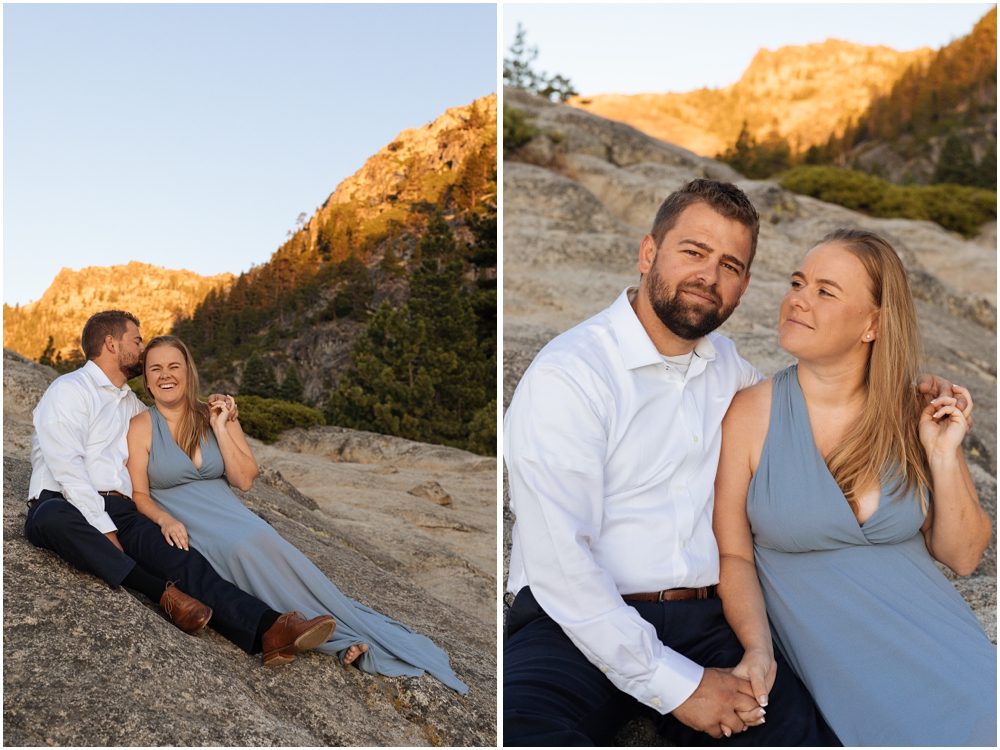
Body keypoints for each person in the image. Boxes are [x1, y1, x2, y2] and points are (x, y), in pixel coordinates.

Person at [502, 180, 960, 746]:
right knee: (525, 729)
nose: (708, 277)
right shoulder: (570, 375)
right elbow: (562, 568)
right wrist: (681, 688)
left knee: (798, 737)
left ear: (743, 286)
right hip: (568, 624)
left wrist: (902, 396)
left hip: (705, 624)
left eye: (731, 265)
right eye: (692, 253)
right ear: (649, 254)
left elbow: (809, 414)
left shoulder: (731, 372)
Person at [713, 229, 996, 747]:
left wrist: (942, 451)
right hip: (847, 690)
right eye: (798, 282)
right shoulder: (750, 414)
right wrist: (758, 648)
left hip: (958, 666)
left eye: (826, 290)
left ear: (873, 324)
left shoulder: (911, 411)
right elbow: (734, 555)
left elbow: (963, 554)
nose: (798, 297)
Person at [125, 334, 468, 692]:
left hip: (230, 512)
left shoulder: (215, 413)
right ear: (147, 380)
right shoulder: (140, 427)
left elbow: (244, 479)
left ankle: (333, 627)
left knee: (264, 542)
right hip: (187, 523)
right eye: (156, 369)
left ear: (188, 372)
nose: (166, 375)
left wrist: (220, 427)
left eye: (173, 366)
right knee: (241, 551)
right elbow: (139, 494)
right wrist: (164, 519)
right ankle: (330, 637)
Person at [25, 310, 337, 665]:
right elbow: (67, 467)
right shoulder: (69, 390)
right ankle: (163, 595)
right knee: (51, 519)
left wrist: (221, 412)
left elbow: (171, 425)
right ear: (111, 344)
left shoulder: (132, 406)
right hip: (65, 503)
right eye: (137, 341)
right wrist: (104, 529)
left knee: (185, 561)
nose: (143, 351)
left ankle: (271, 630)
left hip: (122, 510)